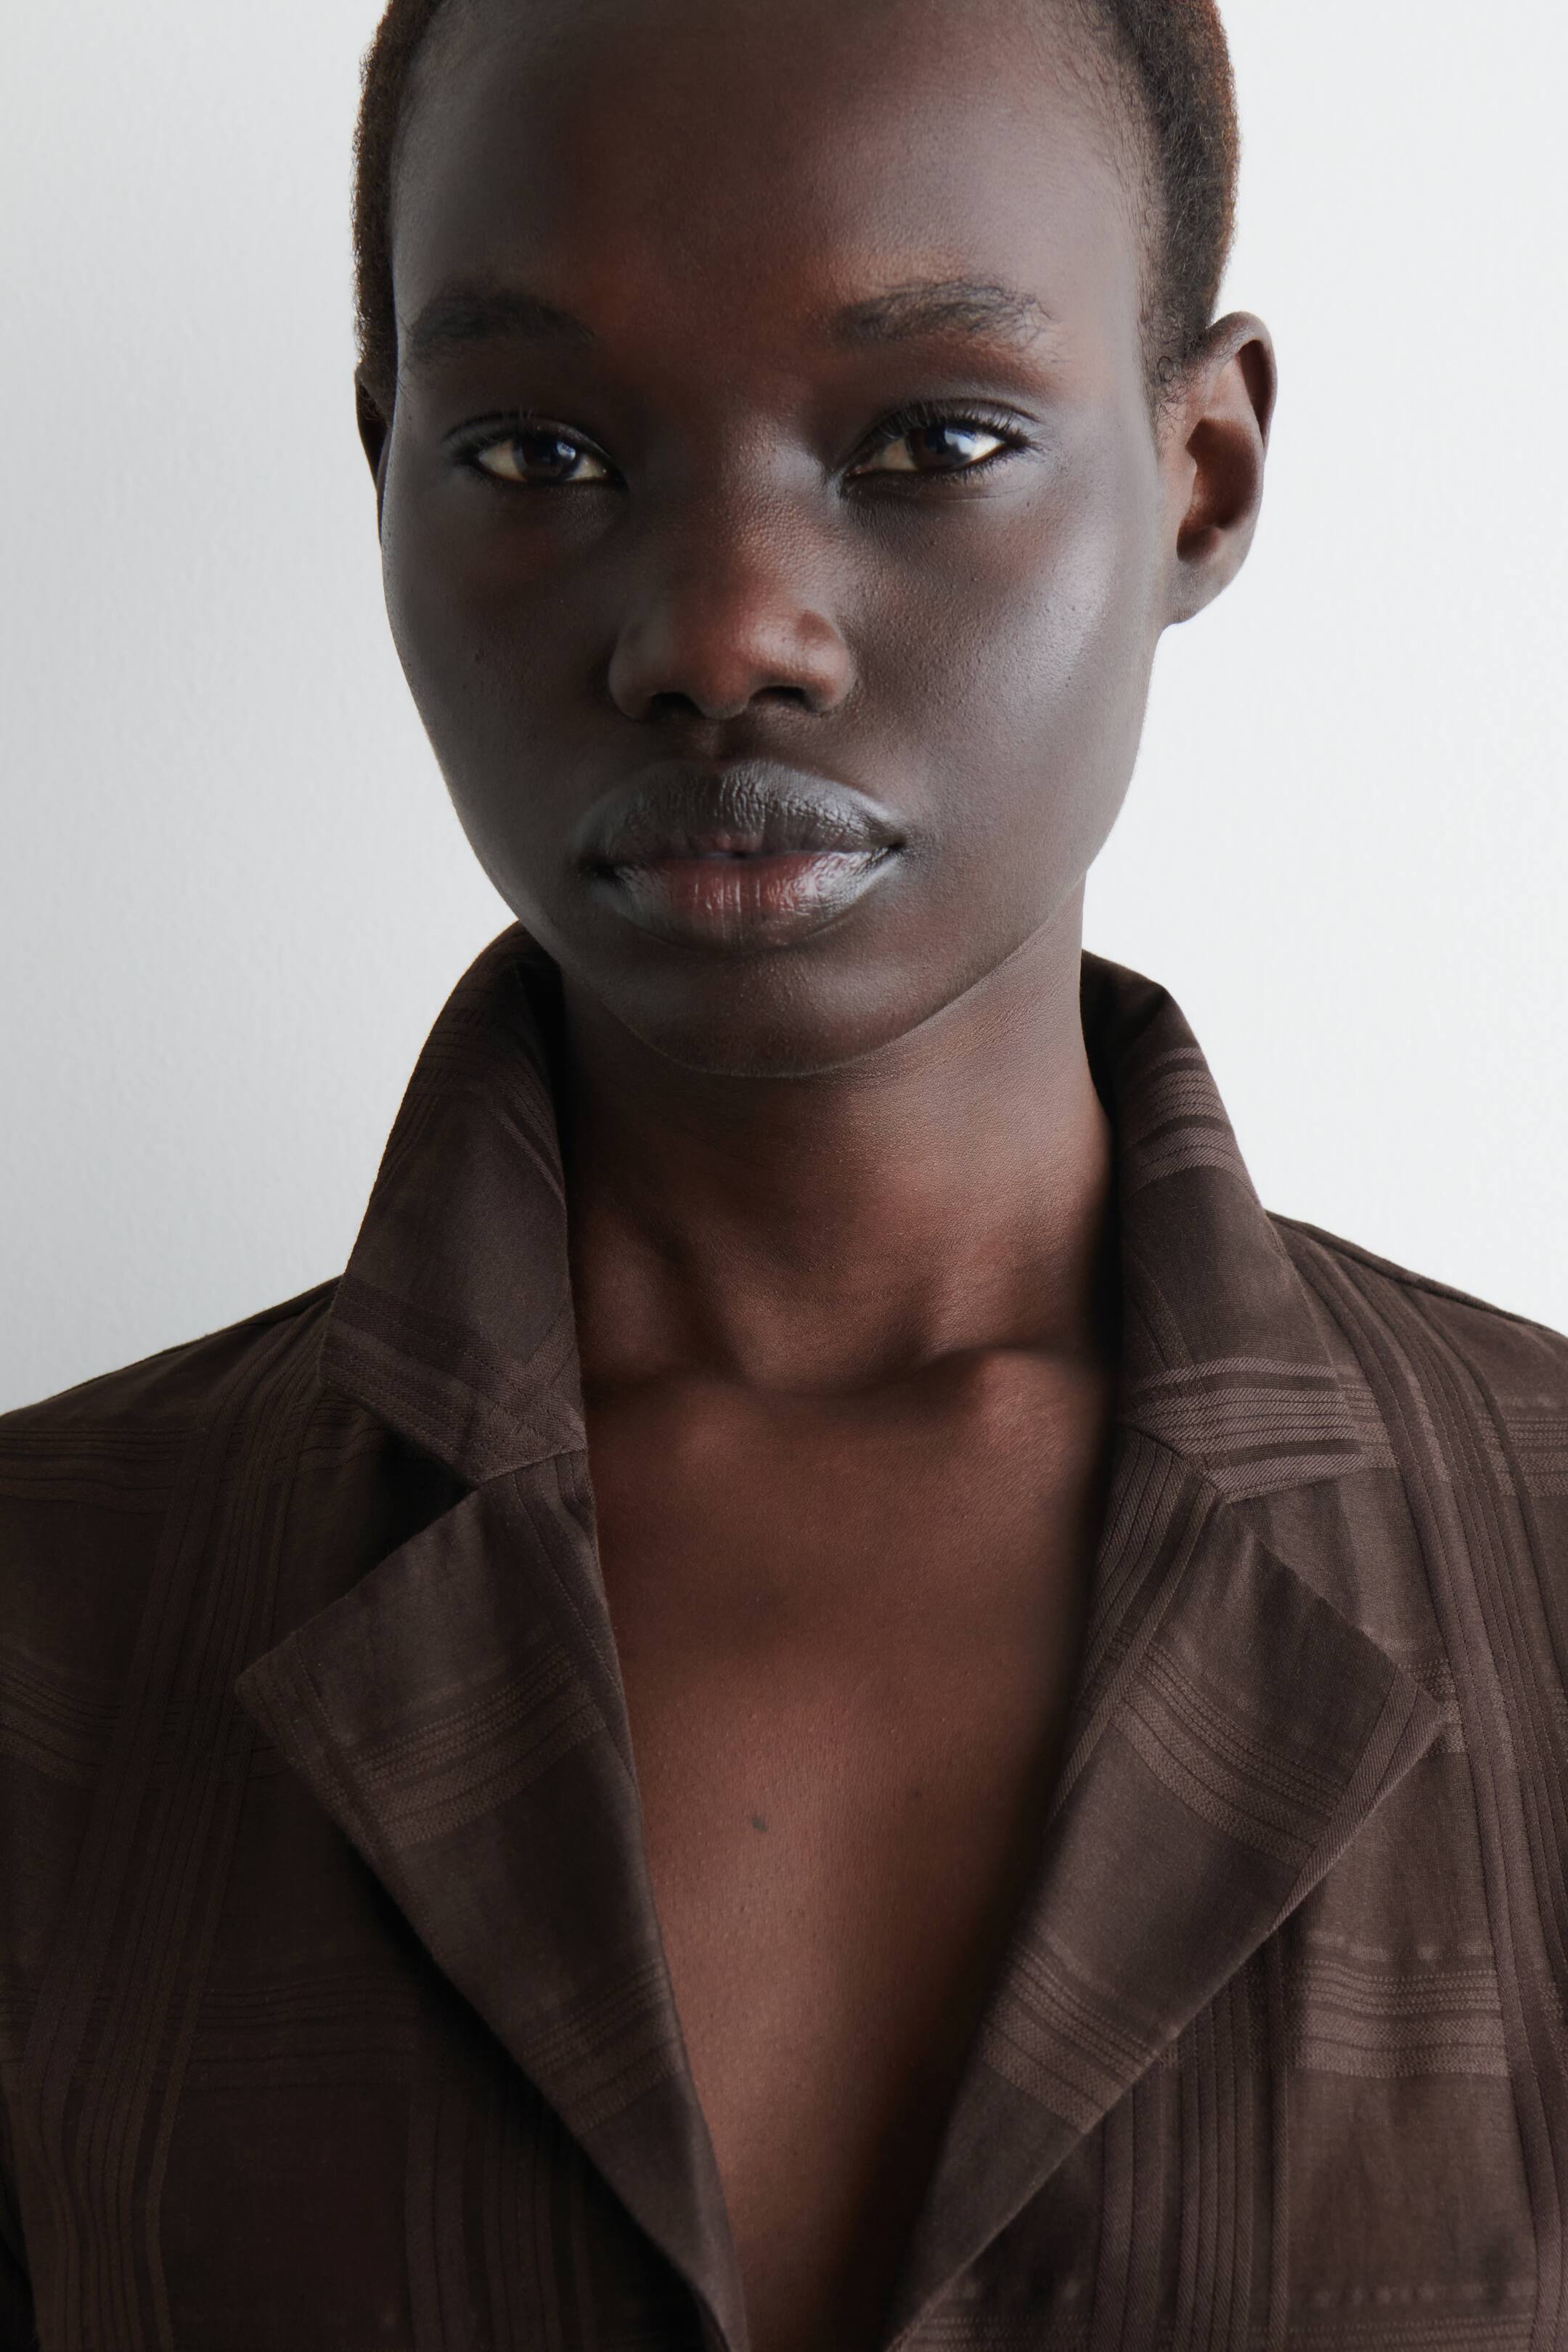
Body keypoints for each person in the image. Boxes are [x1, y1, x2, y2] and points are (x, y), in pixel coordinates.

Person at [3, 0, 1566, 2345]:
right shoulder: (45, 1623)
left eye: (933, 439)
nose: (723, 634)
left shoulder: (1544, 1574)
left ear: (1203, 476)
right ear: (387, 472)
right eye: (539, 452)